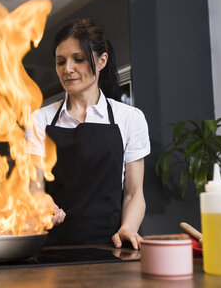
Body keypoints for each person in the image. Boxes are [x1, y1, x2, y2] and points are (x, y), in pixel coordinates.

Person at [27, 18, 150, 249]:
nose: (68, 69)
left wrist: (128, 228)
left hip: (112, 246)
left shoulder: (130, 118)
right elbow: (34, 188)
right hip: (52, 247)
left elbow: (134, 194)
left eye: (79, 59)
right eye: (60, 62)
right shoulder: (39, 120)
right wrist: (42, 205)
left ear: (102, 61)